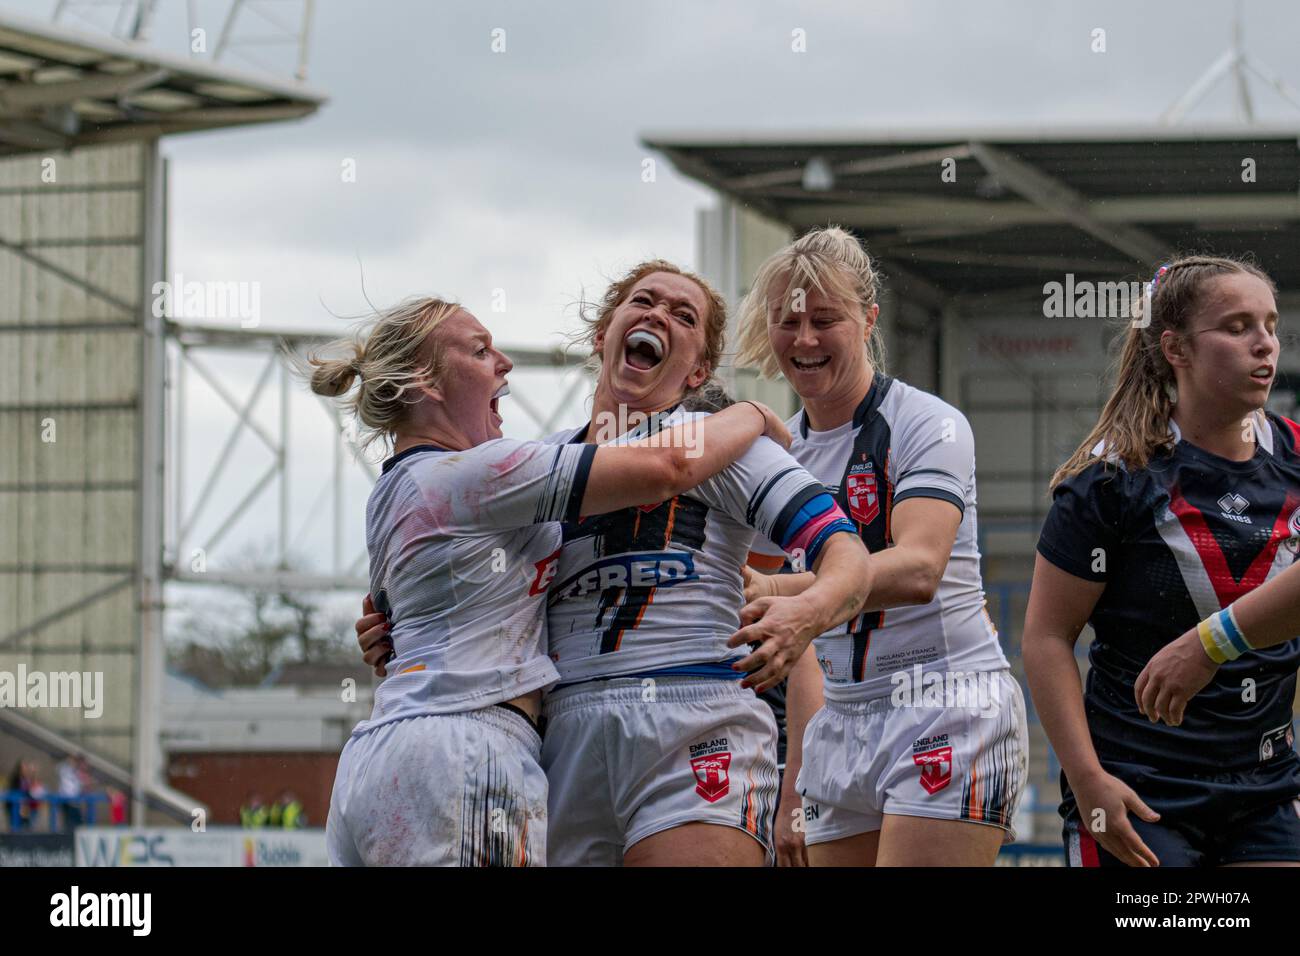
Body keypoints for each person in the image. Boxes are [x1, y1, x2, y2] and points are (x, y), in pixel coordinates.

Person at [359, 262, 873, 867]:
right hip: (560, 739)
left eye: (684, 316)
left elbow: (848, 554)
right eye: (644, 301)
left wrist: (806, 612)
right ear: (604, 333)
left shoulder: (728, 448)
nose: (660, 314)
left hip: (694, 716)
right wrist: (394, 630)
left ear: (699, 370)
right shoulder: (531, 464)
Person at [736, 227, 1028, 867]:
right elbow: (761, 613)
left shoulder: (928, 422)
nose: (805, 340)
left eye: (825, 320)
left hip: (944, 702)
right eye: (788, 321)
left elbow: (920, 566)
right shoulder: (774, 459)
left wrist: (788, 596)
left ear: (868, 320)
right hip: (840, 719)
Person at [1024, 255, 1300, 868]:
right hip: (1140, 791)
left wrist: (1208, 644)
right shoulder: (1112, 478)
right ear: (1175, 347)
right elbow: (1046, 637)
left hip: (1264, 792)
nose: (1265, 344)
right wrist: (1088, 782)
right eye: (1236, 327)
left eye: (1271, 325)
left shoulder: (1297, 453)